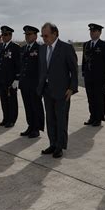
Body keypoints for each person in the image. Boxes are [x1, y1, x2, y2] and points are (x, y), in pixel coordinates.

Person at [37, 22, 78, 158]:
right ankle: (52, 143)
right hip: (47, 90)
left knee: (61, 119)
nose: (44, 38)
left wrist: (72, 88)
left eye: (46, 35)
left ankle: (60, 146)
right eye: (42, 36)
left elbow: (74, 70)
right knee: (50, 119)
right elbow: (42, 70)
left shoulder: (66, 48)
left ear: (55, 34)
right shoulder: (42, 49)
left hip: (62, 91)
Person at [81, 23, 105, 127]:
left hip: (100, 77)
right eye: (90, 31)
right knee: (90, 98)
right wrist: (83, 72)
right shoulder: (86, 44)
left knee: (99, 98)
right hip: (88, 77)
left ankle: (99, 118)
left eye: (94, 31)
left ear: (99, 32)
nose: (92, 33)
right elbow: (84, 60)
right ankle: (92, 117)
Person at [19, 25, 44, 138]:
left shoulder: (40, 48)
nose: (27, 37)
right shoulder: (23, 49)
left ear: (35, 35)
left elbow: (43, 67)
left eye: (29, 34)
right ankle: (30, 126)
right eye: (26, 35)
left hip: (35, 84)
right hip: (24, 83)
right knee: (28, 106)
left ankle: (37, 128)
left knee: (36, 106)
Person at [0, 26, 20, 128]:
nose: (3, 37)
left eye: (5, 35)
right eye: (2, 34)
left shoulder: (15, 47)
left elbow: (18, 64)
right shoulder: (0, 46)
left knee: (12, 101)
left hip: (11, 80)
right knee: (4, 100)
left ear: (10, 35)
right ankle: (5, 118)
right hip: (1, 79)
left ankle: (12, 120)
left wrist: (17, 79)